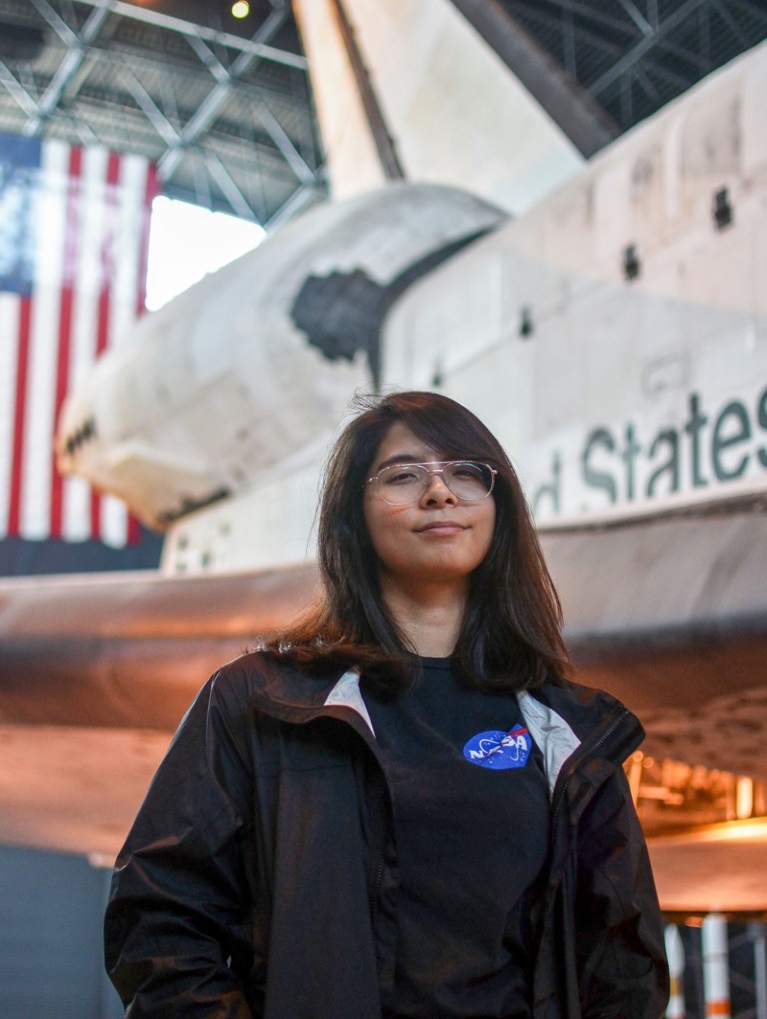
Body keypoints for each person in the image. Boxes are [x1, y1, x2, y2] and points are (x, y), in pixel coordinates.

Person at [104, 390, 669, 1019]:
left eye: (465, 473)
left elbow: (621, 962)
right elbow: (159, 919)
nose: (439, 493)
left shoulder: (571, 732)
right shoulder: (257, 703)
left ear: (498, 507)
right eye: (404, 475)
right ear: (354, 514)